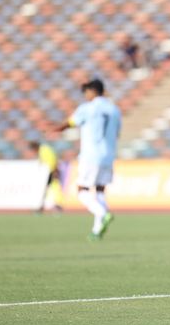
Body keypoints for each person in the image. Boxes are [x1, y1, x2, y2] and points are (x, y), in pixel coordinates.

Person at [52, 79, 121, 240]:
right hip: (108, 155)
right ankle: (97, 231)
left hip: (91, 155)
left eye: (87, 92)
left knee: (82, 190)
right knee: (99, 190)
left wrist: (55, 129)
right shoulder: (114, 110)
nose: (86, 96)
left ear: (93, 91)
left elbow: (70, 123)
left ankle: (102, 213)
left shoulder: (88, 108)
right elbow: (117, 133)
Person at [28, 140, 63, 212]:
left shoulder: (44, 150)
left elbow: (52, 160)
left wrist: (54, 170)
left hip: (51, 171)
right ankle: (43, 205)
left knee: (51, 188)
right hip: (50, 171)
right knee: (51, 188)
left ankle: (53, 205)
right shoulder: (44, 150)